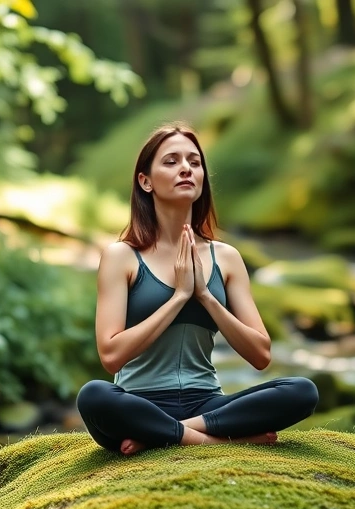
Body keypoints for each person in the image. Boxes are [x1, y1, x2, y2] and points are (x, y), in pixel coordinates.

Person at [76, 123, 319, 456]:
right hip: (137, 403)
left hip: (206, 403)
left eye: (194, 161)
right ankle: (211, 439)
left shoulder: (227, 258)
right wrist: (177, 298)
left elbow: (260, 355)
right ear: (145, 181)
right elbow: (111, 355)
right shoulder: (123, 257)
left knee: (301, 391)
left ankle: (171, 434)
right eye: (171, 161)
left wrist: (205, 296)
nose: (186, 168)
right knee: (93, 396)